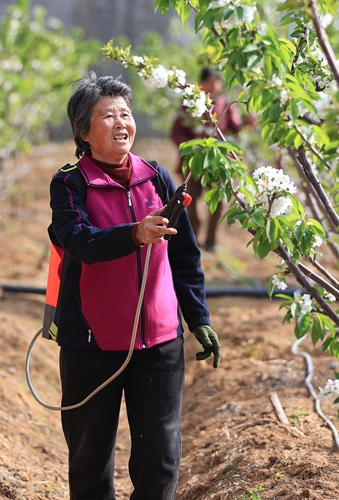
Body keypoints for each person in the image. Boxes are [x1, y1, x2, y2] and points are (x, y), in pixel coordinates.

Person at [48, 72, 220, 500]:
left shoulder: (156, 177)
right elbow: (79, 241)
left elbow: (184, 255)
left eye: (125, 114)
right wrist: (134, 234)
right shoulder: (69, 183)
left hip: (159, 343)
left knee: (160, 459)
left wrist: (198, 318)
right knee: (90, 460)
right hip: (92, 343)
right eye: (108, 116)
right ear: (84, 132)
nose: (121, 123)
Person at [170, 67, 244, 251]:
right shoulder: (190, 103)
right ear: (201, 84)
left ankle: (211, 241)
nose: (212, 86)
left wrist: (245, 122)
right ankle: (193, 236)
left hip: (217, 162)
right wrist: (192, 147)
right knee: (190, 199)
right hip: (195, 161)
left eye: (215, 82)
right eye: (208, 82)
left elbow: (235, 127)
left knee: (218, 201)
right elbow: (176, 131)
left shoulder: (225, 104)